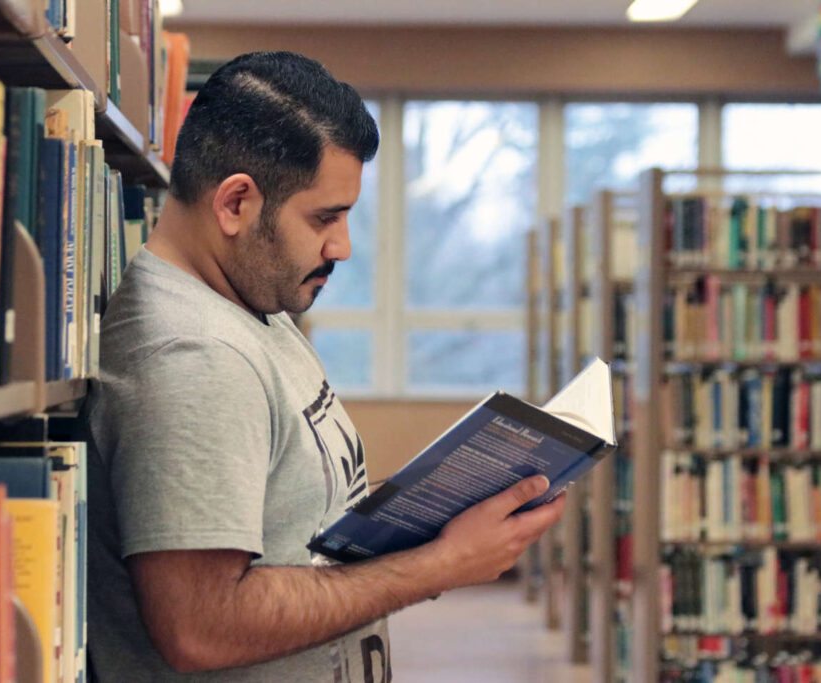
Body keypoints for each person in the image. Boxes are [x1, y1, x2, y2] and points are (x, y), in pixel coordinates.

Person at [85, 51, 566, 682]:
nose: (340, 246)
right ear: (236, 204)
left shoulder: (252, 301)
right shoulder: (193, 356)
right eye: (324, 218)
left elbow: (293, 516)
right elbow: (201, 626)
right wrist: (441, 567)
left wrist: (437, 517)